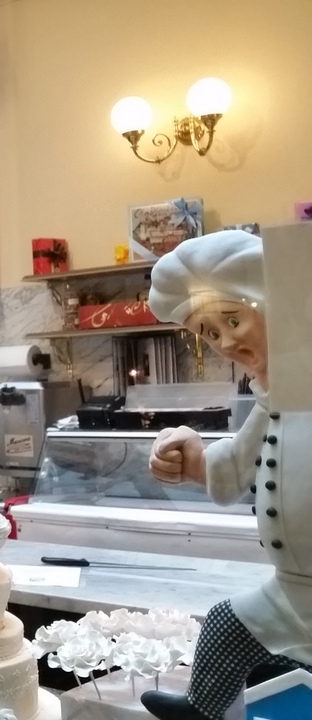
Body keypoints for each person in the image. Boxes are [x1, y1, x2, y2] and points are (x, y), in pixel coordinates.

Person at [142, 230, 312, 720]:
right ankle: (203, 711)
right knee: (226, 627)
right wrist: (190, 459)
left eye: (233, 320)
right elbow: (235, 465)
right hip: (291, 590)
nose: (227, 342)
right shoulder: (274, 400)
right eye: (211, 334)